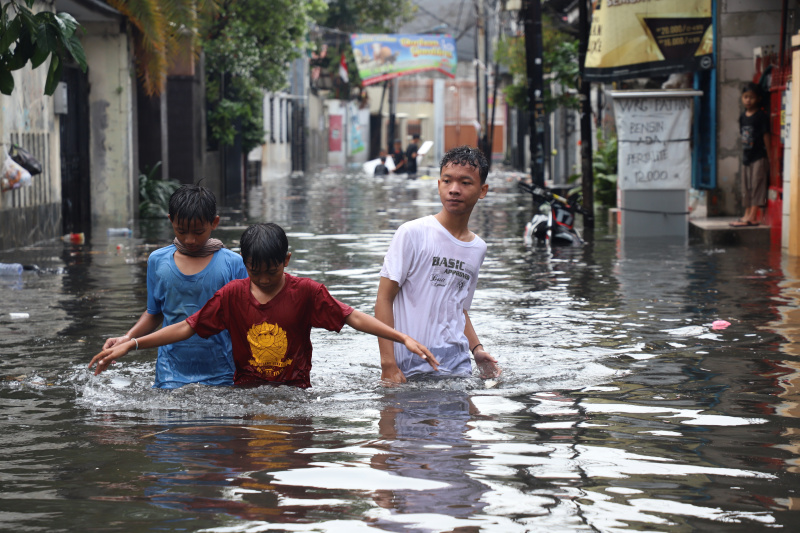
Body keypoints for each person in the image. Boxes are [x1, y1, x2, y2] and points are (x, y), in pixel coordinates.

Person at [90, 223, 439, 388]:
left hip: (295, 396)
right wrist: (132, 343)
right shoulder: (231, 295)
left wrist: (401, 338)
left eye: (271, 271)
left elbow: (353, 317)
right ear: (245, 264)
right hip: (245, 395)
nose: (264, 279)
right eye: (255, 272)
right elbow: (186, 327)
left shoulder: (307, 292)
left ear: (286, 260)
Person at [375, 145, 500, 383]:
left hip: (457, 364)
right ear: (438, 184)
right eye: (447, 181)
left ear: (482, 190)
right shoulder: (412, 233)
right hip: (409, 363)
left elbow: (459, 307)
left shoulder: (478, 248)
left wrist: (477, 350)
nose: (454, 190)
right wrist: (388, 363)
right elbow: (383, 299)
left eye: (465, 183)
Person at [102, 184, 247, 389]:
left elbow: (245, 319)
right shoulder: (158, 261)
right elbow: (155, 312)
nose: (190, 239)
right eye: (181, 230)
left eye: (198, 232)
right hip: (170, 372)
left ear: (214, 223)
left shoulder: (233, 264)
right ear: (171, 221)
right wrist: (127, 338)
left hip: (222, 371)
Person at [731, 82, 771, 227]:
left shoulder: (761, 116)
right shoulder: (743, 116)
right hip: (746, 157)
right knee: (746, 187)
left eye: (752, 97)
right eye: (745, 97)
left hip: (759, 156)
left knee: (757, 186)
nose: (748, 100)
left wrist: (770, 156)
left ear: (759, 99)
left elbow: (766, 136)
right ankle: (746, 214)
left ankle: (753, 216)